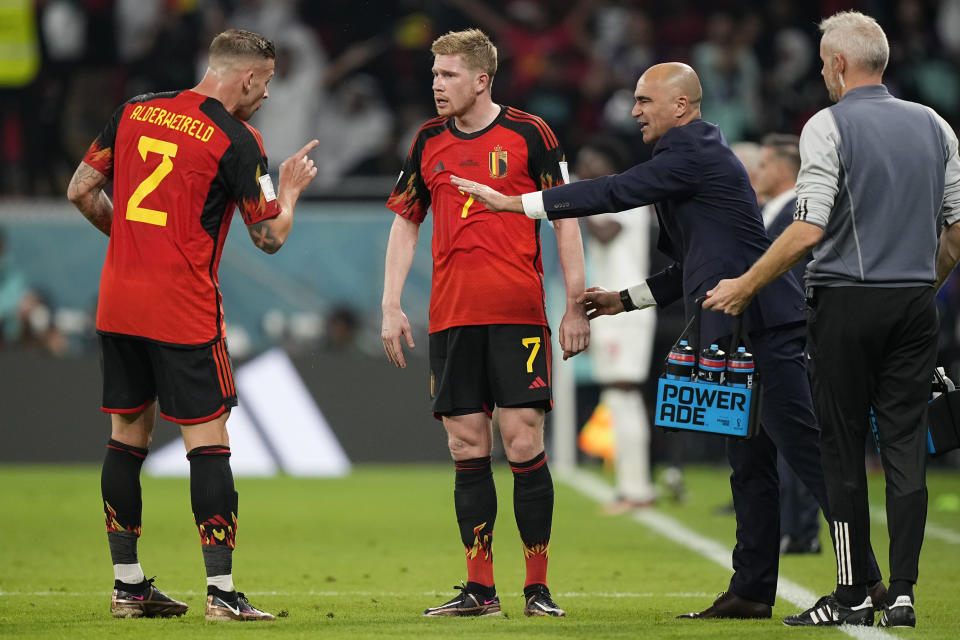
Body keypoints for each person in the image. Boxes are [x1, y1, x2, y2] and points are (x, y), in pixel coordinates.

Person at [453, 60, 884, 620]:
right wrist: (624, 300)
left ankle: (867, 581)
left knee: (806, 453)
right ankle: (753, 589)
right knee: (748, 463)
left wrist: (522, 204)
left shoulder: (694, 153)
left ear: (680, 105)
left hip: (764, 326)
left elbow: (614, 191)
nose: (634, 111)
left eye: (644, 101)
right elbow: (695, 266)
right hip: (731, 329)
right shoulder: (686, 161)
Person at [705, 11, 960, 628]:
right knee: (904, 448)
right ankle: (900, 593)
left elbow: (809, 225)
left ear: (840, 65)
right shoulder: (935, 124)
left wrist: (746, 284)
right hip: (913, 305)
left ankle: (850, 596)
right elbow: (955, 233)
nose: (821, 73)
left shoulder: (828, 124)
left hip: (845, 302)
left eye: (823, 63)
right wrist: (922, 286)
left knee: (841, 450)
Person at [66, 29, 318, 622]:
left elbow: (80, 189)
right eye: (268, 83)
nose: (266, 96)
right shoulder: (238, 139)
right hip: (181, 309)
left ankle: (128, 587)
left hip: (119, 304)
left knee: (126, 437)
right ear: (249, 77)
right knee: (208, 445)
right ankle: (222, 594)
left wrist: (134, 245)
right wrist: (290, 191)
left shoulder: (134, 111)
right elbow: (268, 236)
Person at [381, 28, 589, 618]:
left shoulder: (531, 133)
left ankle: (537, 586)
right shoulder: (425, 140)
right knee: (465, 443)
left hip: (517, 314)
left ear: (481, 80)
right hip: (451, 318)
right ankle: (479, 588)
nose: (436, 84)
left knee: (523, 439)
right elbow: (405, 222)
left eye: (448, 75)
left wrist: (574, 303)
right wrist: (391, 303)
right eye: (434, 73)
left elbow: (564, 216)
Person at [575, 137, 657, 513]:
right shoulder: (605, 200)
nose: (584, 168)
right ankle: (633, 487)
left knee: (622, 392)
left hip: (629, 307)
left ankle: (636, 489)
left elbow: (606, 234)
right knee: (618, 396)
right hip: (611, 307)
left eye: (590, 161)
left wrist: (575, 199)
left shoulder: (628, 196)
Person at [755, 133, 822, 555]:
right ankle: (793, 528)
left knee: (801, 434)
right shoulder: (770, 213)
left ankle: (804, 531)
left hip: (794, 335)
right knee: (786, 437)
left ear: (781, 170)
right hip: (777, 337)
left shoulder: (799, 215)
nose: (755, 173)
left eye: (762, 165)